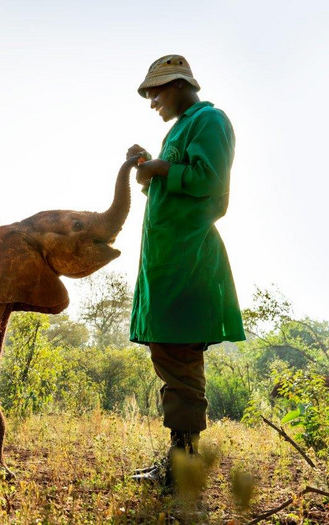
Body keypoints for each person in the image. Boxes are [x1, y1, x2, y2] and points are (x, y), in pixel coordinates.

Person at [126, 55, 245, 489]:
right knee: (170, 355)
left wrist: (159, 168)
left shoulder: (209, 120)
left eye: (156, 91)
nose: (152, 100)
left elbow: (209, 183)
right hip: (167, 261)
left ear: (179, 85)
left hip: (189, 261)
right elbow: (176, 185)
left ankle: (183, 468)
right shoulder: (178, 128)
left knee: (180, 359)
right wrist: (148, 168)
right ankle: (181, 461)